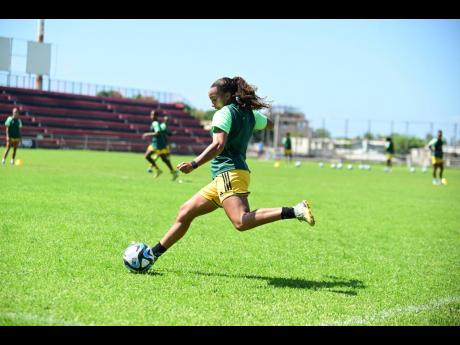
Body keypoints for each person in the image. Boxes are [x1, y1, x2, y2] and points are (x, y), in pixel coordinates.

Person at [145, 76, 315, 263]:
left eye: (214, 99)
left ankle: (295, 211)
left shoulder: (223, 113)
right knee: (185, 212)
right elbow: (270, 124)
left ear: (227, 95)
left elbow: (218, 145)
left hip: (229, 173)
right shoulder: (249, 114)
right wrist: (248, 120)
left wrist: (194, 164)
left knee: (241, 221)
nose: (212, 104)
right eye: (210, 100)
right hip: (226, 177)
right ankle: (151, 255)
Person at [142, 110, 179, 181]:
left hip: (158, 145)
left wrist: (147, 134)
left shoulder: (155, 123)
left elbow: (158, 133)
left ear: (156, 116)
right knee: (164, 159)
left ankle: (157, 169)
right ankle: (173, 172)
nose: (152, 116)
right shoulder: (161, 124)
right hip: (158, 144)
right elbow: (166, 133)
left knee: (148, 156)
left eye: (153, 115)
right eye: (151, 115)